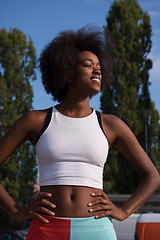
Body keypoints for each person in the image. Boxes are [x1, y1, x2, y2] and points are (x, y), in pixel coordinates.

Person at [0, 26, 160, 240]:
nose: (97, 70)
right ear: (67, 72)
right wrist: (16, 211)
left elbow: (152, 176)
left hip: (96, 229)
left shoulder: (111, 125)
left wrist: (123, 211)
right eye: (87, 65)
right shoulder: (36, 120)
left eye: (99, 67)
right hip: (47, 228)